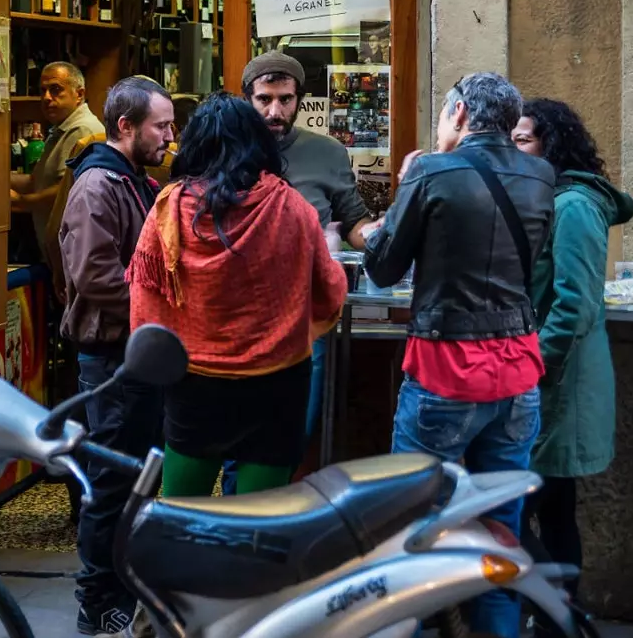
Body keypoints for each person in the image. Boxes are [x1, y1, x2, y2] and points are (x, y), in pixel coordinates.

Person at [364, 72, 555, 638]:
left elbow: (382, 267)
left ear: (460, 113)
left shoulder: (431, 172)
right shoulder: (541, 175)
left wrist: (410, 183)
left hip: (446, 370)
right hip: (518, 370)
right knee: (500, 529)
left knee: (417, 529)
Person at [127, 94, 345, 498]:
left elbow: (146, 311)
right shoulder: (292, 207)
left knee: (181, 512)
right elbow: (328, 293)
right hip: (277, 385)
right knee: (260, 519)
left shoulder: (168, 210)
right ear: (257, 142)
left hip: (195, 386)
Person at [59, 77, 176, 636]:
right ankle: (97, 601)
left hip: (132, 350)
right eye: (161, 125)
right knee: (111, 482)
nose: (169, 136)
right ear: (125, 127)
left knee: (134, 477)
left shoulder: (131, 180)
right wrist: (162, 300)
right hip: (110, 355)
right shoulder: (98, 186)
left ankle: (121, 589)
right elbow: (94, 274)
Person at [510, 98, 633, 604]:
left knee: (525, 511)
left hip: (560, 385)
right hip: (550, 381)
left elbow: (575, 306)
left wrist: (529, 365)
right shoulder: (550, 199)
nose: (512, 149)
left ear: (551, 146)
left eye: (523, 140)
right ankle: (558, 615)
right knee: (551, 510)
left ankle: (558, 613)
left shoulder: (573, 205)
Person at [240, 50, 374, 484]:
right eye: (264, 100)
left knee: (296, 427)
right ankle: (237, 518)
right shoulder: (228, 148)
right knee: (236, 430)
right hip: (238, 310)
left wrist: (384, 234)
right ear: (247, 99)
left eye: (285, 99)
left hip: (304, 315)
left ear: (301, 99)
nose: (275, 112)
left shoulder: (327, 152)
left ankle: (275, 520)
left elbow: (353, 220)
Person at [10, 61, 105, 259]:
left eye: (55, 90)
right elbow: (36, 181)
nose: (46, 97)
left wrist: (23, 202)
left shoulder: (82, 130)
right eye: (43, 90)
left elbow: (68, 189)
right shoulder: (62, 128)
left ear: (79, 94)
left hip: (74, 255)